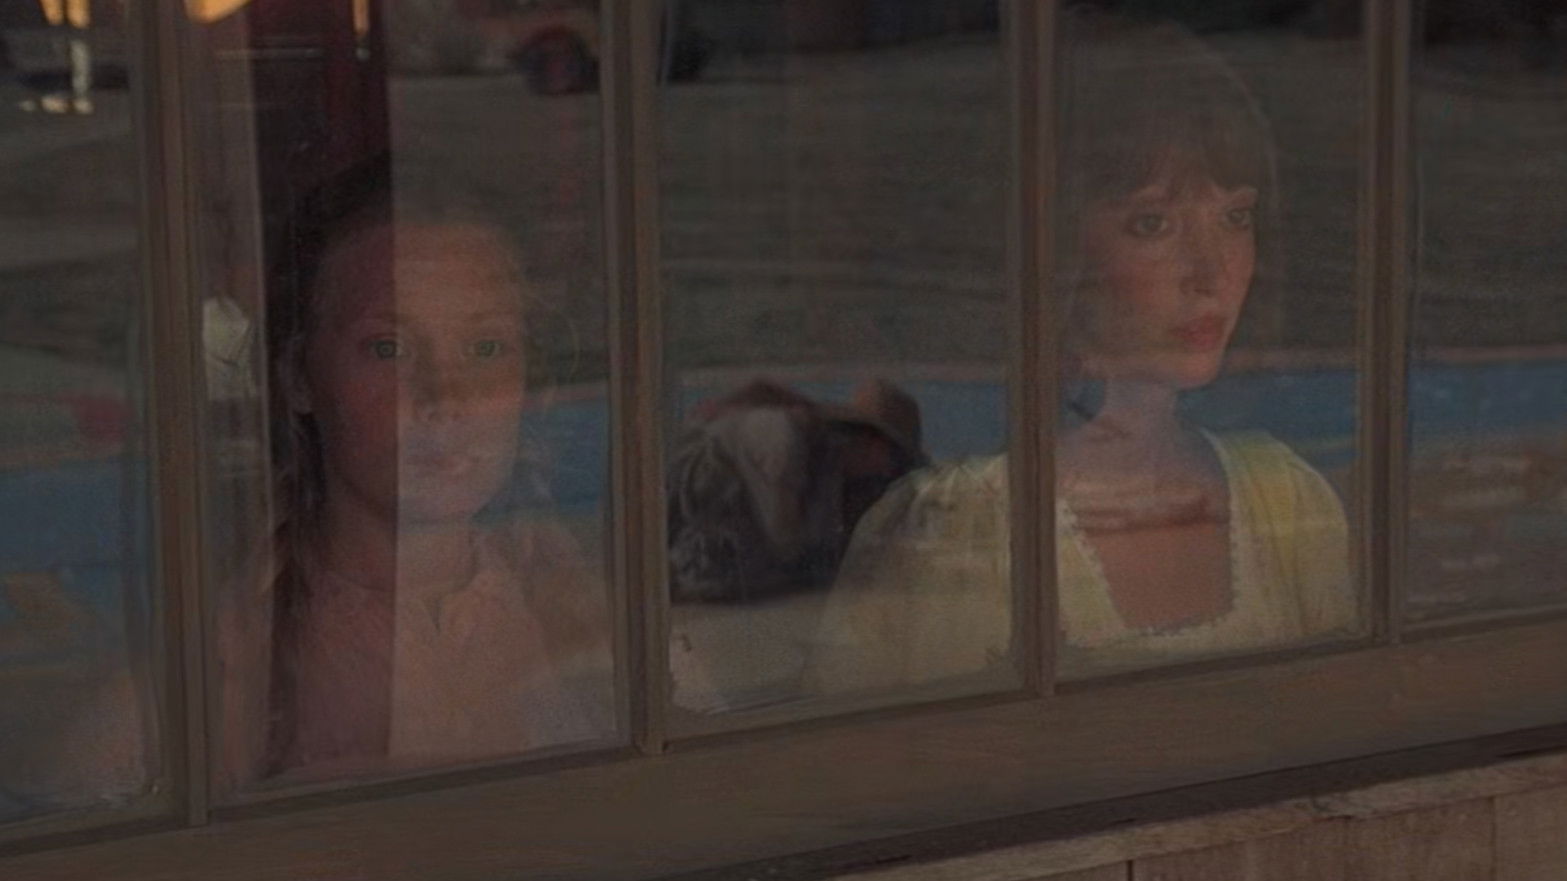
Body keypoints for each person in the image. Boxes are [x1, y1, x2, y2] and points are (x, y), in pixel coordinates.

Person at [805, 10, 1361, 693]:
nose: (1210, 271)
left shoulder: (1289, 503)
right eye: (1152, 223)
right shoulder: (963, 533)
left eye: (1234, 217)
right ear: (1052, 246)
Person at [219, 194, 612, 787]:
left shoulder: (588, 617)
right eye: (389, 348)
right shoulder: (228, 665)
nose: (446, 400)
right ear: (298, 375)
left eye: (485, 348)